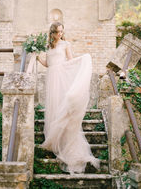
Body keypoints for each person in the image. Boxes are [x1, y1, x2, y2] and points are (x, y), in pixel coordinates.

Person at [36, 22, 100, 174]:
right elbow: (47, 64)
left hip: (61, 76)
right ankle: (53, 138)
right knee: (53, 106)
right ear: (52, 33)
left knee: (63, 106)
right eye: (57, 32)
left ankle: (65, 142)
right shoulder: (48, 46)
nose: (60, 34)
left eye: (61, 32)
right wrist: (37, 58)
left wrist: (81, 61)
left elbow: (70, 61)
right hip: (51, 77)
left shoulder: (66, 44)